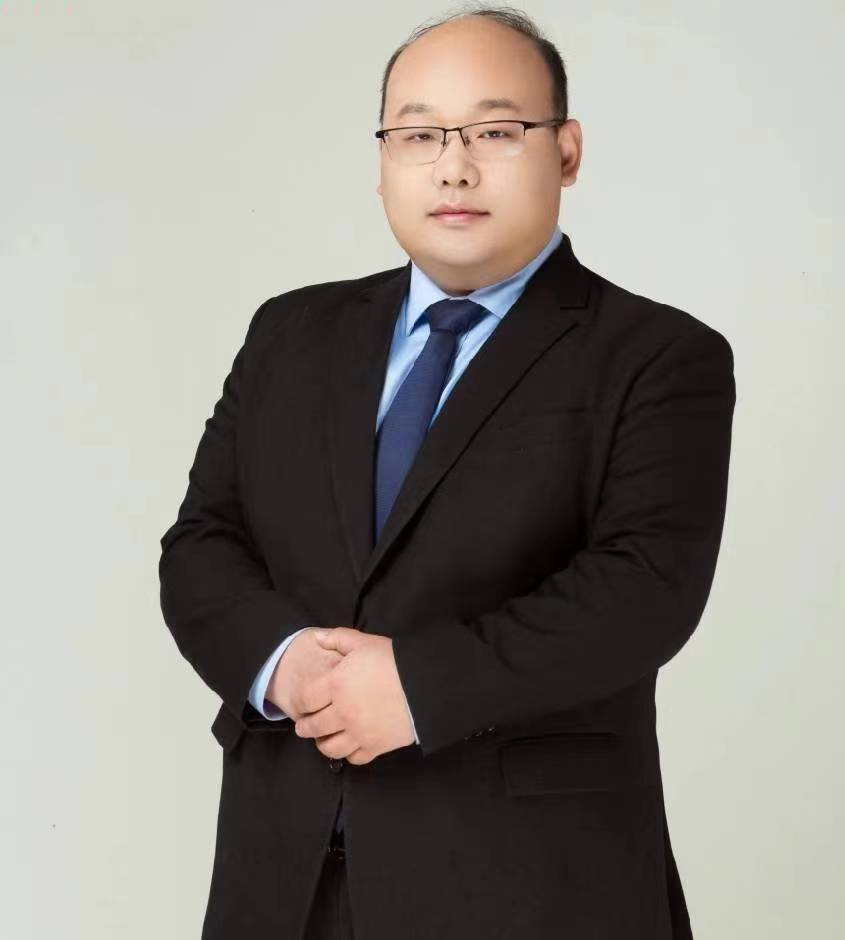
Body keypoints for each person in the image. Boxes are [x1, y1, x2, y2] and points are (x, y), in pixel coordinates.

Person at [158, 7, 736, 940]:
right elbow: (203, 544)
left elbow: (644, 589)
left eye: (496, 132)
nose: (452, 167)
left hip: (528, 886)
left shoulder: (657, 355)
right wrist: (285, 664)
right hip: (284, 876)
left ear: (566, 152)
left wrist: (417, 687)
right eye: (418, 134)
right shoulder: (290, 334)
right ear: (383, 158)